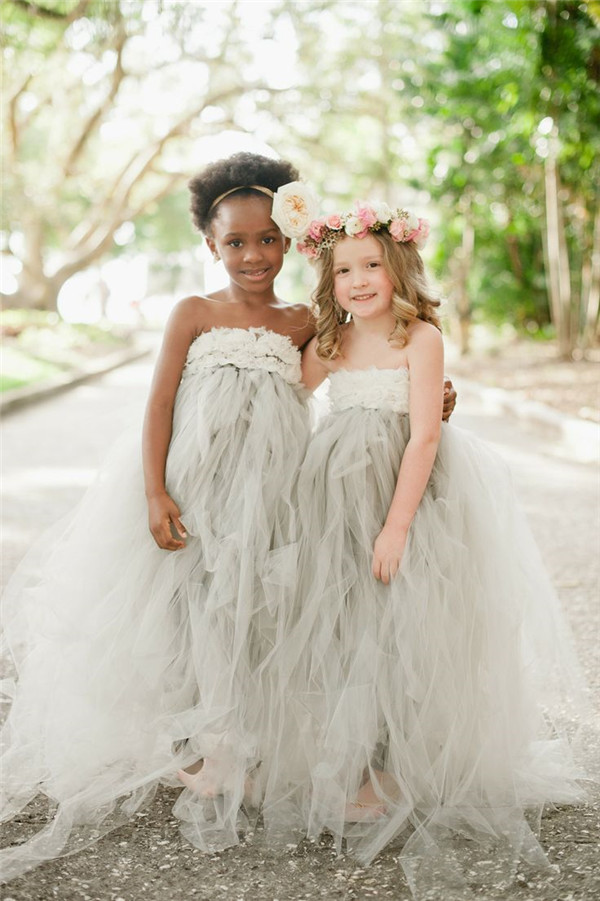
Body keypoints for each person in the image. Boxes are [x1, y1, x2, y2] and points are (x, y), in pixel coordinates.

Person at [0, 158, 457, 882]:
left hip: (274, 492)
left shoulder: (306, 321)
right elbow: (158, 404)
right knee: (186, 611)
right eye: (236, 242)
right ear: (211, 245)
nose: (254, 254)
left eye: (269, 239)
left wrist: (433, 396)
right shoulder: (194, 312)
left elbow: (353, 367)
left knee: (255, 613)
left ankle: (243, 745)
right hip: (194, 485)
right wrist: (154, 491)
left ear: (290, 245)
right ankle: (200, 743)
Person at [266, 202, 588, 897]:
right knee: (342, 622)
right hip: (332, 497)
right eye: (342, 268)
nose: (357, 281)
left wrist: (398, 525)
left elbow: (423, 437)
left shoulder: (420, 338)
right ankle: (349, 754)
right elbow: (288, 387)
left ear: (399, 266)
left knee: (401, 626)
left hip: (401, 493)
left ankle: (391, 762)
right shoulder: (333, 339)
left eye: (371, 265)